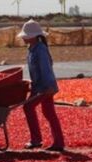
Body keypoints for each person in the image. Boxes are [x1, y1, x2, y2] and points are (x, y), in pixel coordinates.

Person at [18, 20, 66, 152]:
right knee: (48, 112)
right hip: (39, 86)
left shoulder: (40, 49)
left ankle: (36, 140)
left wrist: (48, 87)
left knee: (28, 107)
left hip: (45, 87)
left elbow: (46, 69)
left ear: (33, 36)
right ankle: (58, 142)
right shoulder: (32, 49)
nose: (23, 37)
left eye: (26, 35)